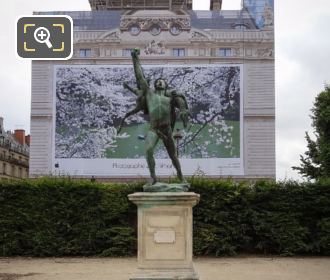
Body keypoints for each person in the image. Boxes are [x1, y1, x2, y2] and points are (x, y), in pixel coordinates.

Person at [130, 48, 189, 184]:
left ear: (166, 85)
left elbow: (181, 103)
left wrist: (183, 109)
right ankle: (153, 177)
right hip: (154, 129)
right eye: (158, 81)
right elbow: (140, 77)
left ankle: (181, 177)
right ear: (154, 84)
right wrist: (135, 59)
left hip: (167, 129)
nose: (159, 82)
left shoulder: (170, 98)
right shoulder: (150, 94)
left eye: (162, 81)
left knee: (173, 155)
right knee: (149, 150)